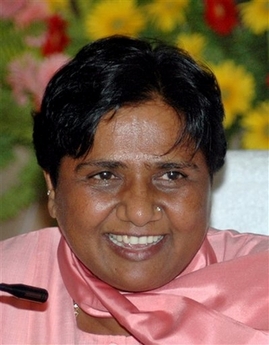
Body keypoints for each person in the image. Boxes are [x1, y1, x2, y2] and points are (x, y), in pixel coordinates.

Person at [1, 35, 268, 345]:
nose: (140, 212)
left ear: (209, 180)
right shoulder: (8, 290)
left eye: (171, 175)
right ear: (53, 187)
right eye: (104, 176)